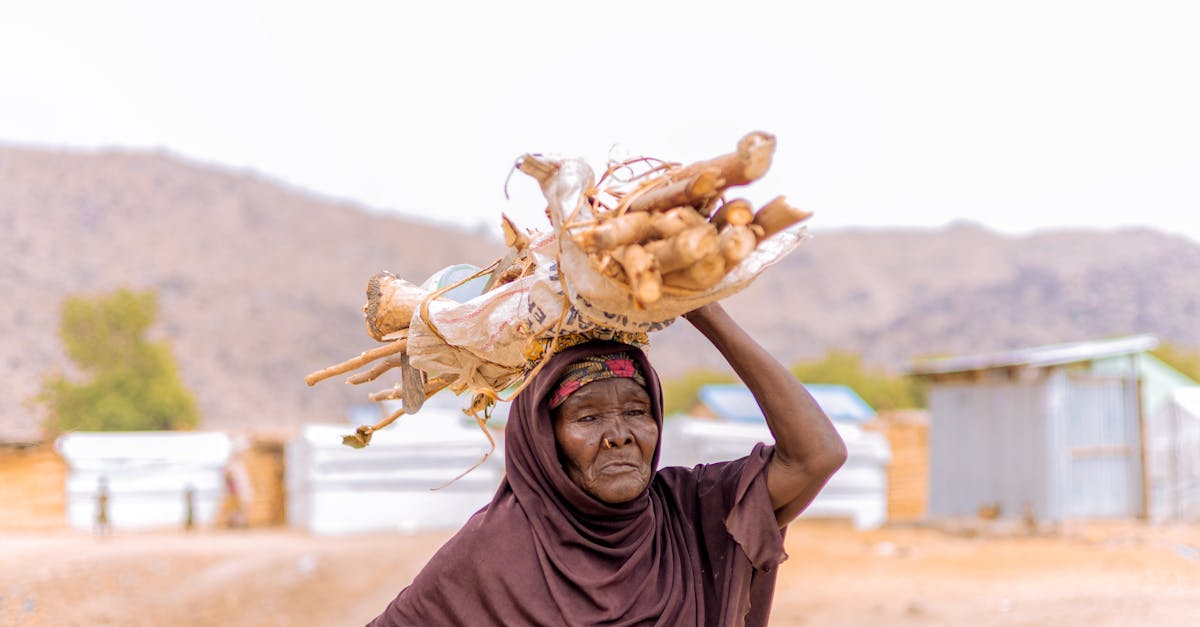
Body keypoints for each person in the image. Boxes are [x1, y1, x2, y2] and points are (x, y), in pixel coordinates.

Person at [369, 302, 847, 626]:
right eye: (588, 416)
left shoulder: (695, 513)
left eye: (637, 412)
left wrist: (706, 312)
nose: (620, 435)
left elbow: (818, 454)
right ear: (544, 438)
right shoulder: (493, 552)